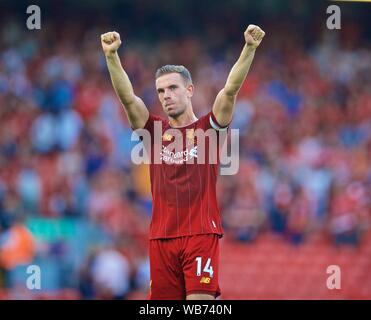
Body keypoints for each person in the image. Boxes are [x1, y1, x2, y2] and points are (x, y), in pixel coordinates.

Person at [100, 25, 265, 300]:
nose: (166, 96)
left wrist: (249, 48)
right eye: (161, 91)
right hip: (161, 239)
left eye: (173, 88)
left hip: (200, 235)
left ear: (189, 90)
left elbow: (230, 90)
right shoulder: (153, 132)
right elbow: (128, 98)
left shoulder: (208, 130)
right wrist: (111, 56)